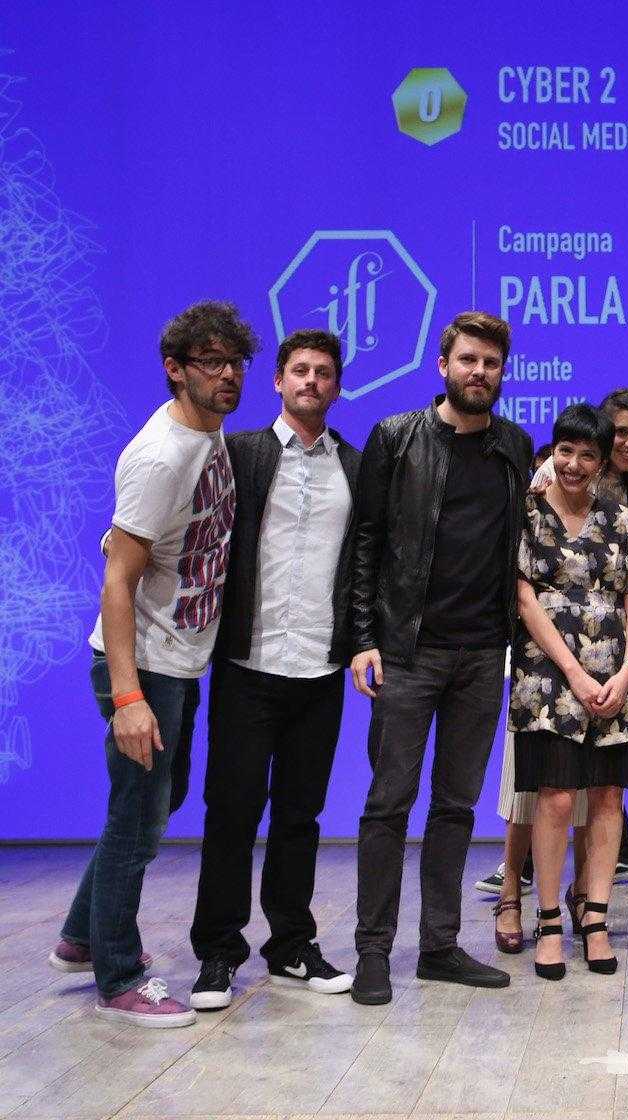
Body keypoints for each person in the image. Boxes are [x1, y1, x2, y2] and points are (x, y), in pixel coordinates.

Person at [50, 301, 251, 1027]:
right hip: (144, 667)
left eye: (235, 363)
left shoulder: (208, 435)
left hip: (179, 659)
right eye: (211, 363)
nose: (228, 376)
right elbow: (117, 580)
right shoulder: (161, 455)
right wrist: (128, 698)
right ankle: (119, 975)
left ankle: (82, 935)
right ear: (175, 369)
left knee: (153, 806)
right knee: (138, 820)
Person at [348, 311, 532, 1005]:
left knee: (456, 806)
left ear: (502, 371)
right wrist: (362, 637)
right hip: (407, 651)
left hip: (483, 655)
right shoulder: (396, 438)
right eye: (467, 360)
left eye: (490, 362)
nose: (478, 372)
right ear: (442, 365)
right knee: (388, 804)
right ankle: (373, 951)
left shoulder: (515, 446)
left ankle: (439, 946)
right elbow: (366, 541)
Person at [187, 329, 359, 1009]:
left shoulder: (354, 465)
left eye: (323, 372)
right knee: (231, 812)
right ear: (279, 381)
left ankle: (290, 944)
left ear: (336, 386)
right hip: (248, 662)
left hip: (319, 666)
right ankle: (218, 951)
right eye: (300, 370)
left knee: (300, 815)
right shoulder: (239, 453)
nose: (311, 380)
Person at [483, 388, 628, 953]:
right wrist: (574, 673)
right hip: (548, 677)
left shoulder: (622, 519)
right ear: (552, 451)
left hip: (616, 679)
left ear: (603, 462)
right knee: (556, 797)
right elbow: (524, 597)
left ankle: (596, 919)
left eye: (588, 455)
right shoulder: (528, 512)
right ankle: (550, 921)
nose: (575, 464)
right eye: (566, 450)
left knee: (608, 798)